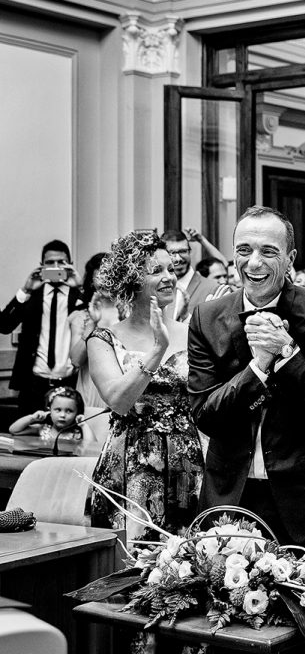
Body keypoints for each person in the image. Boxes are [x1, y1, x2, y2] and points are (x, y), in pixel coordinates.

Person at [188, 206, 305, 555]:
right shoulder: (206, 317)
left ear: (290, 257)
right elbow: (204, 415)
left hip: (303, 496)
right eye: (244, 250)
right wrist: (259, 367)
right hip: (229, 491)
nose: (254, 263)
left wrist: (288, 353)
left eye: (268, 251)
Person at [86, 231, 203, 541]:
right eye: (156, 271)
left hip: (185, 461)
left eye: (171, 269)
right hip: (130, 461)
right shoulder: (103, 339)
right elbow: (118, 401)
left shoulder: (193, 333)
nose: (169, 278)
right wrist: (157, 350)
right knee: (128, 565)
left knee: (184, 563)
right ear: (130, 282)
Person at [1, 240, 84, 413]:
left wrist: (81, 287)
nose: (55, 267)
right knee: (28, 437)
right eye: (49, 263)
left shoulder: (79, 296)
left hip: (71, 384)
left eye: (61, 262)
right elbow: (4, 325)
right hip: (34, 384)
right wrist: (26, 289)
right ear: (41, 266)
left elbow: (98, 322)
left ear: (70, 265)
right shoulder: (33, 295)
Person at [68, 252, 116, 409]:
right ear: (91, 282)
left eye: (111, 276)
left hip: (121, 388)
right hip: (91, 389)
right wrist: (92, 325)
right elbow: (75, 360)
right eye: (101, 276)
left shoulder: (132, 314)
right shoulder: (81, 316)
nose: (107, 282)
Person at [161, 230, 220, 322]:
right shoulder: (156, 288)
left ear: (190, 252)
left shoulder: (213, 289)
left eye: (183, 251)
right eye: (172, 253)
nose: (178, 258)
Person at [10, 385, 84, 440]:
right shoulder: (43, 429)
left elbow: (91, 445)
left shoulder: (77, 434)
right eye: (58, 410)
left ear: (77, 413)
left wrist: (83, 425)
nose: (62, 415)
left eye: (69, 411)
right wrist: (32, 418)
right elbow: (14, 430)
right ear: (49, 410)